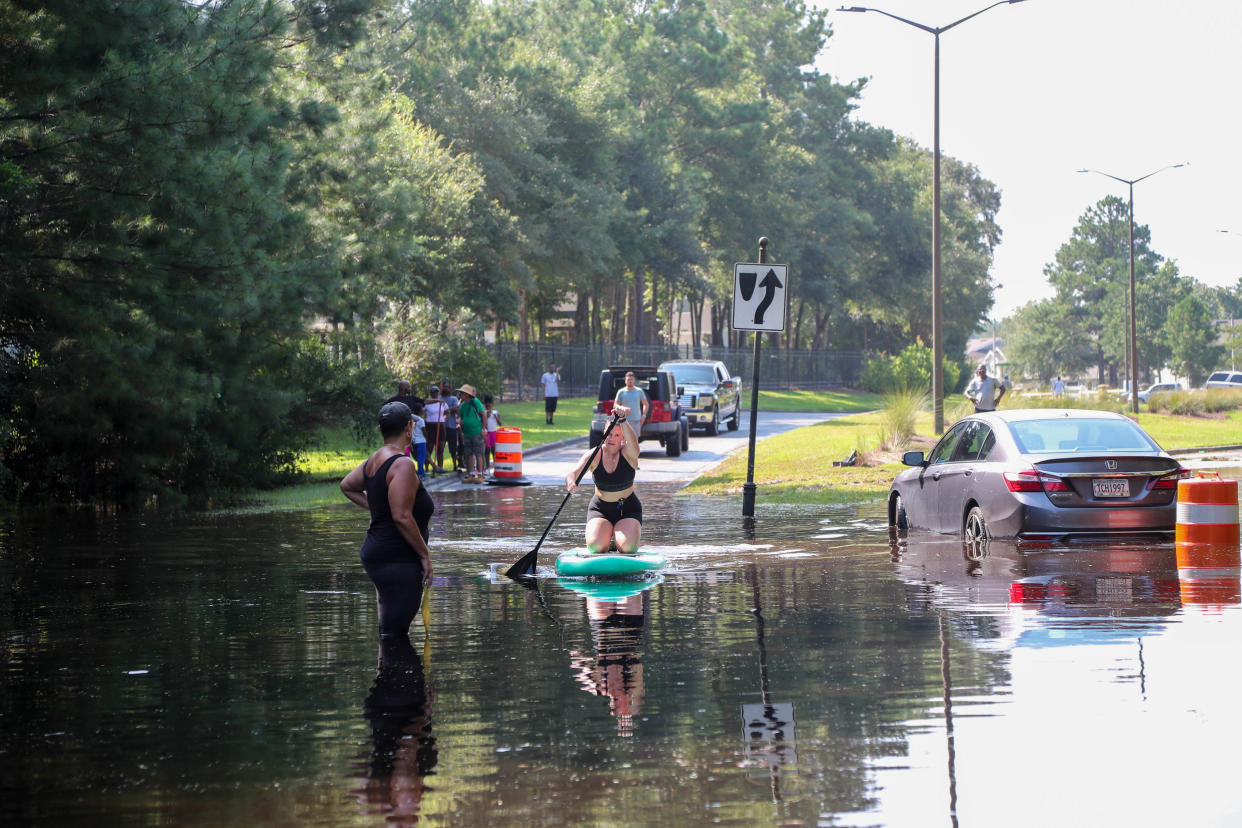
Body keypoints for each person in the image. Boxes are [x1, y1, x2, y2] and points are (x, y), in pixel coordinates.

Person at [340, 402, 434, 643]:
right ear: (409, 429)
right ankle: (392, 678)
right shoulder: (402, 464)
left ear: (380, 430)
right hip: (397, 559)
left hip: (378, 554)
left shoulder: (375, 460)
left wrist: (377, 509)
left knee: (390, 631)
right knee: (396, 634)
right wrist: (424, 556)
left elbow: (347, 486)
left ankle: (387, 675)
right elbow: (401, 516)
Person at [566, 405, 642, 554]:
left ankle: (620, 538)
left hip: (628, 509)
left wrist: (623, 420)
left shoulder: (629, 454)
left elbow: (635, 446)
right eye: (608, 433)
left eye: (616, 435)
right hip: (601, 509)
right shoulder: (594, 454)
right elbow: (573, 473)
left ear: (623, 438)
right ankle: (607, 538)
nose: (611, 438)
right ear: (603, 433)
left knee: (627, 548)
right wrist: (571, 482)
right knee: (596, 547)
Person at [456, 384, 487, 484]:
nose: (460, 394)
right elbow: (461, 417)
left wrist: (484, 429)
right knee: (469, 454)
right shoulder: (463, 405)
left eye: (462, 393)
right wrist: (459, 422)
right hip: (467, 433)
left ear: (467, 394)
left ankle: (480, 475)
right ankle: (471, 474)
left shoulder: (475, 402)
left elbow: (483, 414)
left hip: (477, 432)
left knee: (478, 454)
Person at [423, 387, 447, 473]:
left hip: (440, 426)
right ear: (430, 393)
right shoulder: (427, 403)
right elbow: (421, 412)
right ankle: (426, 468)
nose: (435, 394)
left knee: (440, 448)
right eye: (433, 392)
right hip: (430, 427)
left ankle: (440, 468)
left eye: (436, 392)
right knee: (429, 448)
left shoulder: (443, 402)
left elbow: (447, 413)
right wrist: (424, 421)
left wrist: (442, 419)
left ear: (439, 393)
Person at [440, 380, 462, 472]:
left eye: (447, 387)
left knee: (453, 448)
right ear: (441, 387)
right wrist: (449, 410)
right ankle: (439, 467)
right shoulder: (438, 398)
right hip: (441, 427)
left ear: (450, 388)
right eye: (444, 386)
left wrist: (446, 409)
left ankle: (455, 465)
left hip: (451, 426)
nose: (446, 388)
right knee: (440, 448)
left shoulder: (453, 398)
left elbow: (457, 409)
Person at [407, 401, 428, 480]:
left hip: (414, 441)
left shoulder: (411, 419)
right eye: (422, 409)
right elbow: (424, 431)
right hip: (421, 441)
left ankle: (419, 472)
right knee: (421, 458)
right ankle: (421, 473)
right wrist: (427, 437)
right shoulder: (420, 420)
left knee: (418, 458)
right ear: (419, 410)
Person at [482, 394, 502, 473]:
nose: (488, 405)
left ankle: (495, 464)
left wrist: (496, 417)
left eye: (490, 403)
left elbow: (500, 424)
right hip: (487, 432)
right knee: (487, 449)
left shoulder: (496, 412)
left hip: (494, 432)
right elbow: (483, 422)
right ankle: (487, 466)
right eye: (487, 403)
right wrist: (486, 416)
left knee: (494, 449)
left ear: (492, 404)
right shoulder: (484, 412)